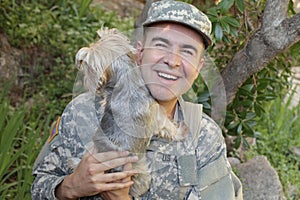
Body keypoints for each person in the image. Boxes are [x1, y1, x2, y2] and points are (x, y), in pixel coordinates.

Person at [31, 0, 243, 199]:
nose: (173, 61)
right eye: (161, 45)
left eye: (187, 51)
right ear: (139, 53)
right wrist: (69, 187)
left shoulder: (204, 137)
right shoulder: (82, 111)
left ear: (198, 68)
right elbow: (39, 186)